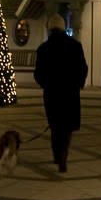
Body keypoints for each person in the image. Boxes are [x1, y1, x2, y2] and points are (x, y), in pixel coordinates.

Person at [33, 13, 88, 173]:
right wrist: (78, 84)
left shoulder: (43, 49)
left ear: (50, 29)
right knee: (67, 126)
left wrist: (45, 84)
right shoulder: (75, 46)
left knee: (55, 125)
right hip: (70, 93)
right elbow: (83, 68)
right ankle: (63, 153)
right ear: (64, 28)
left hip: (52, 93)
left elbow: (38, 73)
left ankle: (57, 154)